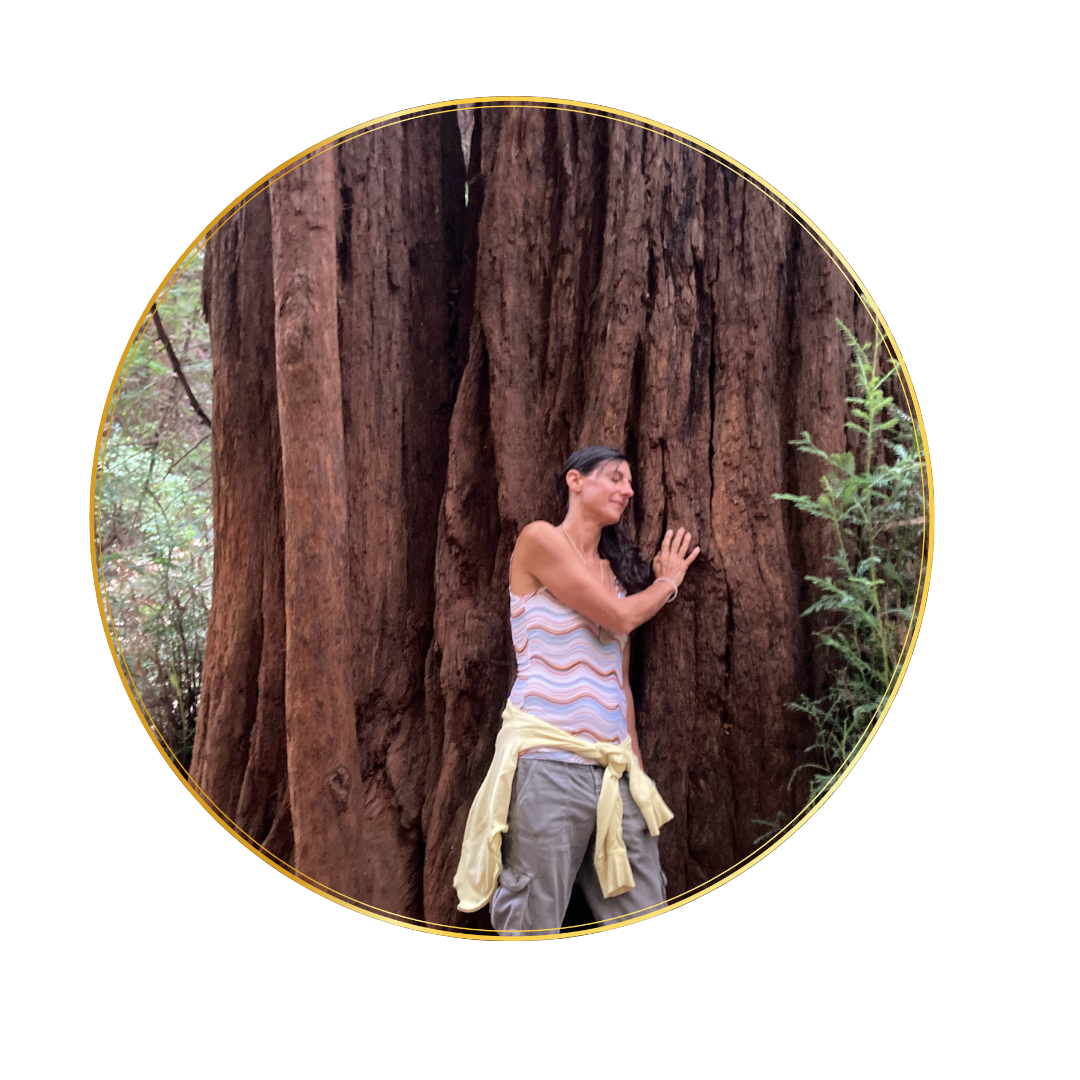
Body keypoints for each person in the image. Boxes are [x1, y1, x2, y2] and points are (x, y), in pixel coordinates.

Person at [453, 445, 700, 935]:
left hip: (613, 771)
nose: (628, 490)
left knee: (645, 915)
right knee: (533, 917)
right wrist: (667, 583)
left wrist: (636, 768)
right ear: (575, 480)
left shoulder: (618, 577)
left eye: (630, 482)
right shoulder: (539, 540)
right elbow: (621, 618)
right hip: (548, 764)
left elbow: (619, 683)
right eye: (615, 478)